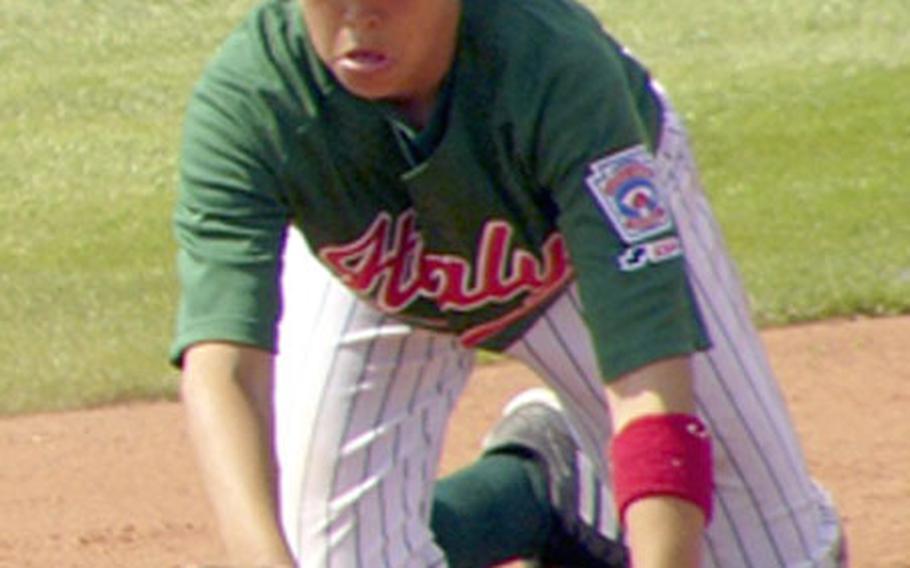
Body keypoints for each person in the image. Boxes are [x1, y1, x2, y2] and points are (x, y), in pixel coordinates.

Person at [170, 0, 848, 565]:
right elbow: (225, 370)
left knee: (770, 555)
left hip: (569, 250)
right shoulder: (253, 98)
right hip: (382, 277)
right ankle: (535, 482)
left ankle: (584, 486)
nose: (358, 15)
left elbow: (650, 363)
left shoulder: (557, 69)